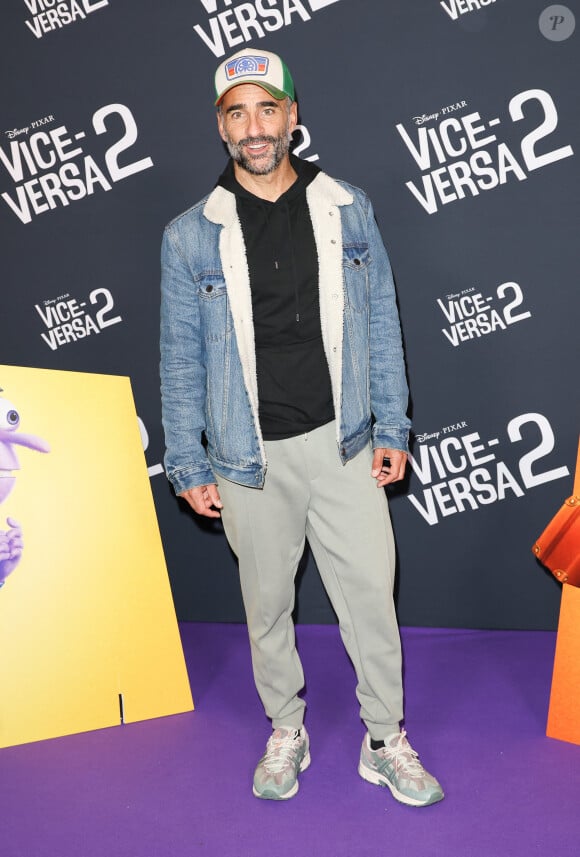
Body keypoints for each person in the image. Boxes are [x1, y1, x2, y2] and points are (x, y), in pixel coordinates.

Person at [160, 47, 443, 807]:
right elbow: (181, 357)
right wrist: (187, 462)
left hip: (344, 444)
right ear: (221, 127)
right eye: (236, 113)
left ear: (292, 115)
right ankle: (287, 727)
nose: (254, 128)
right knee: (266, 609)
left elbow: (382, 318)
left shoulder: (346, 206)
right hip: (248, 456)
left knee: (371, 601)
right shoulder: (191, 234)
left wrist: (394, 423)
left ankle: (385, 739)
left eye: (266, 109)